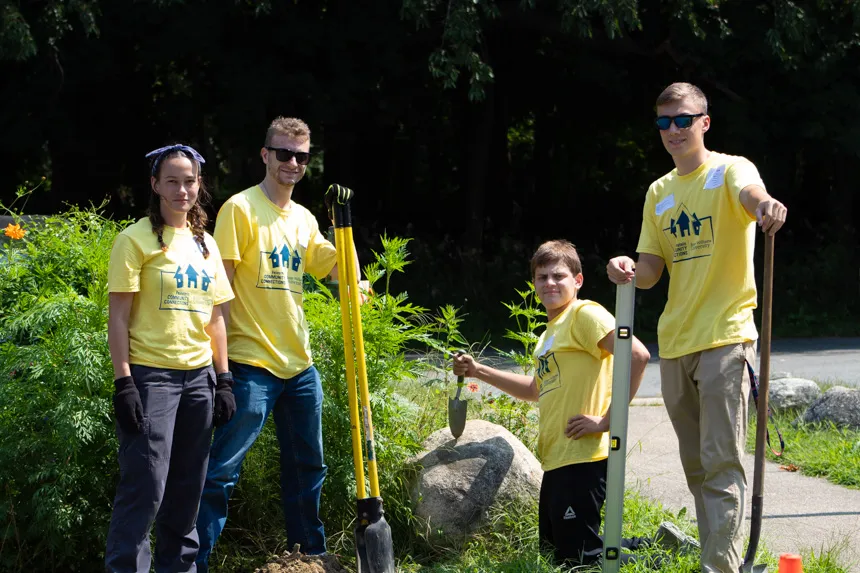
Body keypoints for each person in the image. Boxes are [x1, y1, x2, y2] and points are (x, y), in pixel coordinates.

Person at [607, 82, 788, 573]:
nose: (673, 131)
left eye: (683, 120)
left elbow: (752, 196)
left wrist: (765, 205)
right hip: (676, 343)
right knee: (696, 467)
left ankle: (718, 568)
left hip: (726, 337)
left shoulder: (731, 168)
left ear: (704, 122)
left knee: (722, 463)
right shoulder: (659, 193)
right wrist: (625, 267)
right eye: (664, 122)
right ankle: (720, 560)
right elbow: (649, 272)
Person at [196, 117, 365, 569]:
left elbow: (335, 269)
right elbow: (221, 288)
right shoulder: (241, 209)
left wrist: (342, 224)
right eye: (284, 153)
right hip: (251, 365)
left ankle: (309, 559)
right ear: (265, 154)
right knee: (222, 472)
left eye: (302, 156)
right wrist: (222, 368)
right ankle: (193, 562)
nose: (293, 162)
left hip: (299, 367)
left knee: (308, 469)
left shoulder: (306, 219)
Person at [453, 239, 652, 567]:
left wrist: (607, 420)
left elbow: (638, 355)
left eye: (558, 276)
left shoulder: (584, 315)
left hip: (583, 456)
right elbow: (535, 389)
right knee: (554, 549)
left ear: (578, 281)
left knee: (578, 558)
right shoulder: (549, 334)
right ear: (534, 284)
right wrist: (478, 370)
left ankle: (663, 558)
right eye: (542, 277)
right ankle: (656, 542)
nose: (549, 283)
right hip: (558, 459)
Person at [105, 144, 236, 572]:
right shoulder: (134, 239)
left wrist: (225, 378)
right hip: (151, 378)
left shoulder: (206, 244)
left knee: (186, 492)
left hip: (199, 379)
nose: (182, 189)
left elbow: (216, 317)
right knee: (146, 490)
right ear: (155, 185)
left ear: (200, 185)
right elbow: (119, 318)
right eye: (173, 181)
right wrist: (124, 382)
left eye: (190, 180)